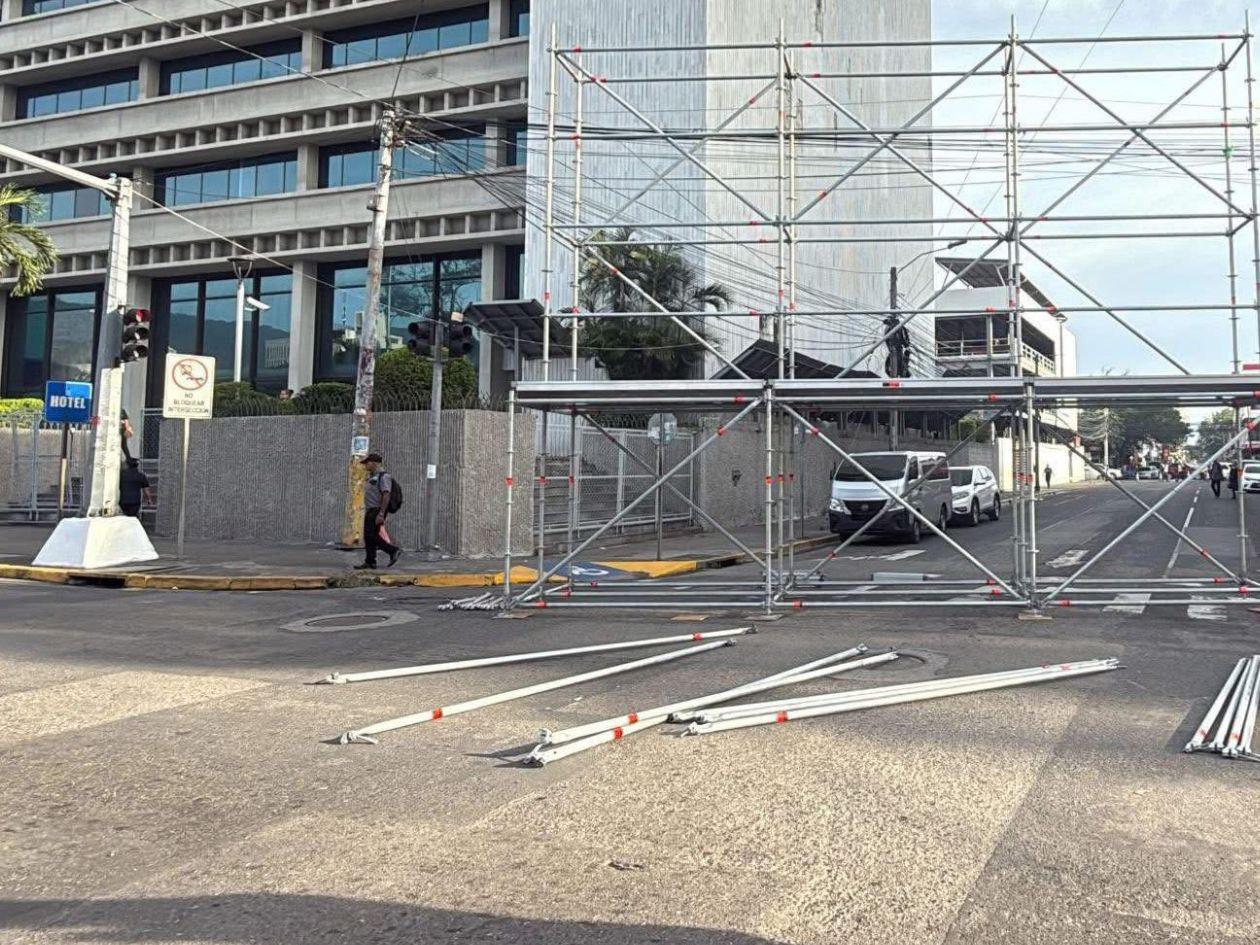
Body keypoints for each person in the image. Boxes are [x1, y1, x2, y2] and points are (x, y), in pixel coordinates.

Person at [355, 453, 402, 570]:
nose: (365, 465)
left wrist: (381, 513)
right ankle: (370, 562)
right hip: (371, 510)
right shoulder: (372, 476)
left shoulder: (384, 476)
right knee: (368, 536)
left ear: (374, 463)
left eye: (367, 463)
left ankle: (393, 550)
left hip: (377, 510)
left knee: (371, 535)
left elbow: (386, 494)